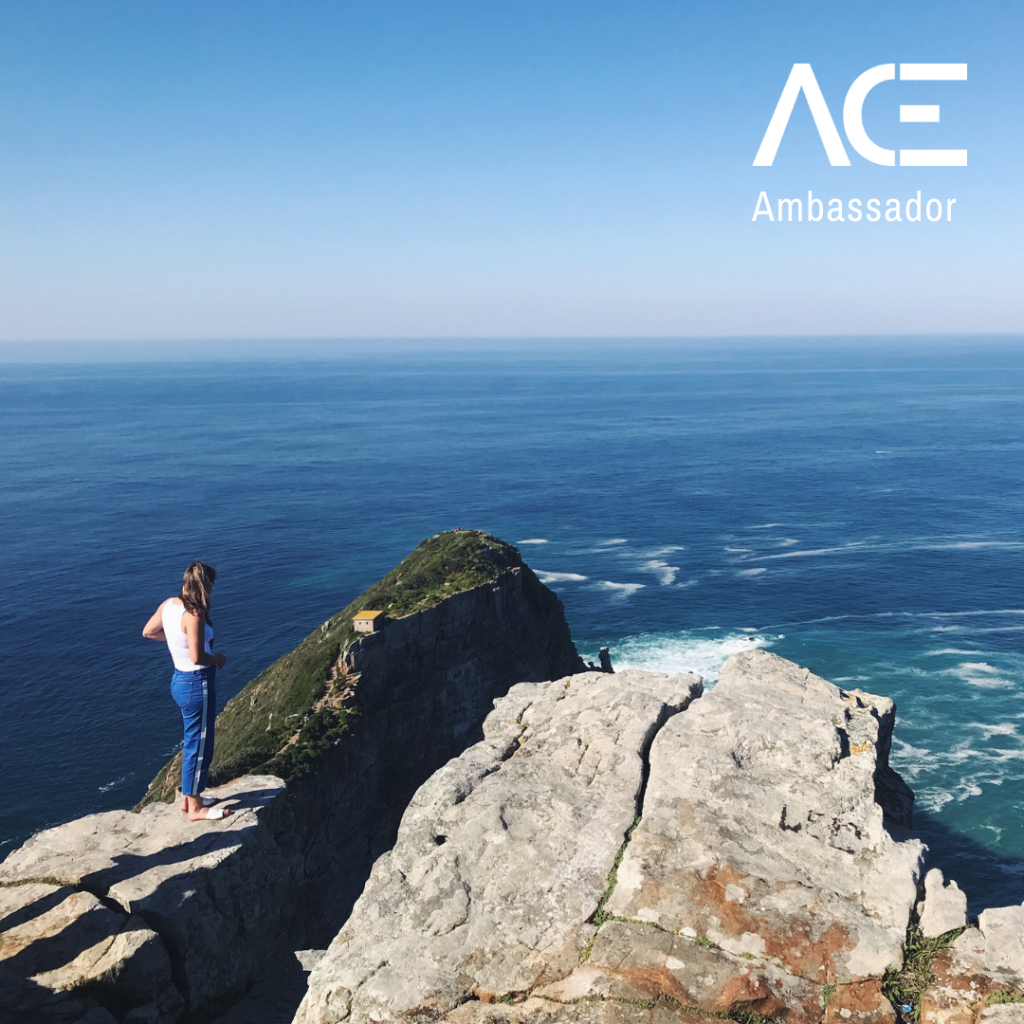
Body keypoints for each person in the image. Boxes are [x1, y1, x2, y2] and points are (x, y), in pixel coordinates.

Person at [142, 562, 232, 821]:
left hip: (180, 681)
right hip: (197, 683)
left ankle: (188, 799)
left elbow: (148, 632)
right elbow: (197, 656)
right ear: (205, 586)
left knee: (192, 740)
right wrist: (218, 659)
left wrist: (174, 639)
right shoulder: (194, 614)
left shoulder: (169, 604)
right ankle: (195, 808)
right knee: (200, 743)